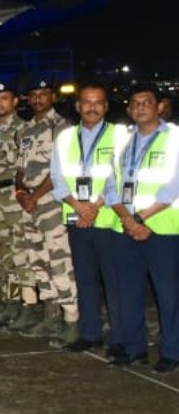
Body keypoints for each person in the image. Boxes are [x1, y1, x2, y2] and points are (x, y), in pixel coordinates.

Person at [104, 83, 179, 372]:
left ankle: (171, 351)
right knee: (128, 292)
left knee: (168, 295)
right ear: (128, 109)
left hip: (163, 229)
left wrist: (140, 219)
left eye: (146, 102)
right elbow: (111, 185)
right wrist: (127, 219)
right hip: (126, 228)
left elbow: (172, 187)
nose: (140, 107)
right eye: (135, 103)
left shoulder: (174, 138)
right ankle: (134, 349)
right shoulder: (124, 140)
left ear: (159, 106)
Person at [51, 83, 128, 354]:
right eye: (86, 102)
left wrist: (93, 207)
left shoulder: (120, 135)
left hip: (109, 220)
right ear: (77, 106)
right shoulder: (64, 138)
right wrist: (78, 207)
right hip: (77, 219)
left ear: (106, 107)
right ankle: (90, 333)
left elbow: (121, 176)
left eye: (97, 102)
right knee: (84, 279)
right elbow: (57, 178)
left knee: (114, 282)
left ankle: (119, 339)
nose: (91, 107)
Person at [16, 80, 77, 342]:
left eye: (43, 94)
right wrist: (21, 193)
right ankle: (50, 314)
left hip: (52, 202)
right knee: (38, 261)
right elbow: (20, 169)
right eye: (34, 95)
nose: (38, 99)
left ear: (53, 97)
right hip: (29, 204)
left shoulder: (63, 127)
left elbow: (60, 170)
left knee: (59, 261)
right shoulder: (26, 129)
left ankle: (71, 319)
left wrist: (34, 196)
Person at [0, 83, 27, 326]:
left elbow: (25, 166)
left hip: (13, 195)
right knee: (2, 252)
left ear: (15, 101)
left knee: (20, 251)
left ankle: (26, 304)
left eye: (4, 98)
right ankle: (10, 300)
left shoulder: (23, 129)